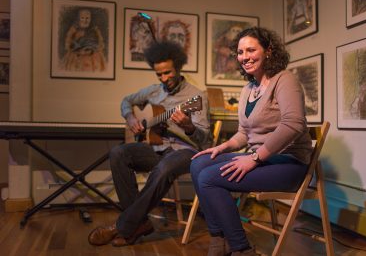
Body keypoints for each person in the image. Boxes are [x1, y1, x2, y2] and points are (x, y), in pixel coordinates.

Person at [190, 27, 313, 256]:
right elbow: (244, 134)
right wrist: (222, 147)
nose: (244, 57)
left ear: (268, 51)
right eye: (239, 52)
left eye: (250, 50)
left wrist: (255, 158)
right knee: (198, 164)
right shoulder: (249, 88)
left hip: (289, 163)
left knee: (208, 179)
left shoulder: (284, 80)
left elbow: (294, 124)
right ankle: (220, 239)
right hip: (262, 160)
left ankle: (241, 248)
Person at [88, 41, 212, 247]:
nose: (164, 79)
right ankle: (140, 224)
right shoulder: (154, 91)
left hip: (185, 151)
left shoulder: (196, 96)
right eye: (159, 75)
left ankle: (123, 226)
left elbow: (205, 140)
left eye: (168, 73)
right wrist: (131, 119)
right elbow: (126, 101)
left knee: (164, 168)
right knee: (118, 153)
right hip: (158, 147)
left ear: (179, 67)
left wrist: (189, 126)